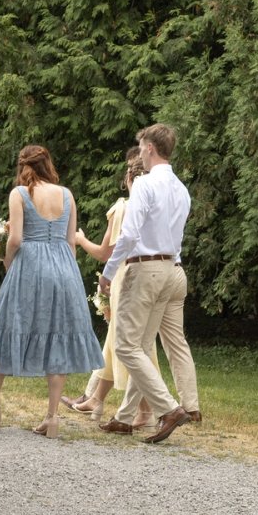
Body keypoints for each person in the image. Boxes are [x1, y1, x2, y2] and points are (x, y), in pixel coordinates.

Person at [0, 145, 104, 438]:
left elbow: (15, 238)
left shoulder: (20, 194)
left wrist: (7, 262)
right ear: (48, 164)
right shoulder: (66, 194)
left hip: (30, 266)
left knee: (7, 326)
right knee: (59, 335)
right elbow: (70, 242)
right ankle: (52, 417)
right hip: (64, 268)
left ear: (22, 166)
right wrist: (65, 271)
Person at [98, 124, 201, 443]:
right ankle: (125, 417)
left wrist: (109, 271)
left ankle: (168, 408)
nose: (140, 152)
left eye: (141, 147)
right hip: (171, 267)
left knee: (126, 345)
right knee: (141, 345)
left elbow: (129, 235)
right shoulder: (181, 189)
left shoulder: (144, 184)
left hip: (146, 270)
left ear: (151, 149)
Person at [62, 149, 159, 427]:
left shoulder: (122, 207)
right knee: (119, 342)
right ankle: (95, 399)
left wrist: (80, 240)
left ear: (130, 176)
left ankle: (147, 409)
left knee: (132, 346)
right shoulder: (153, 207)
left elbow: (107, 252)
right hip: (148, 275)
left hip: (125, 277)